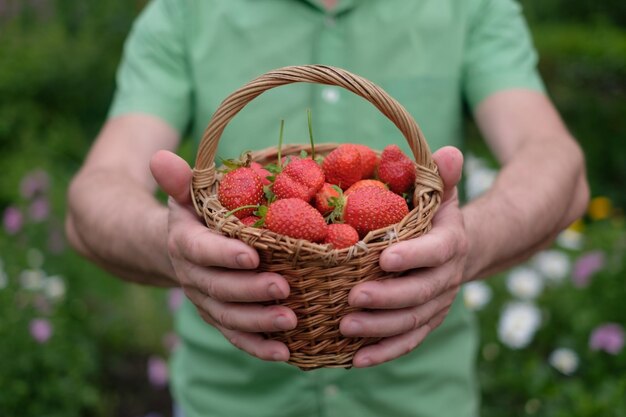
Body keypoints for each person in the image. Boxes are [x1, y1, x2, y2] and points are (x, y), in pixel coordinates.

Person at [65, 0, 589, 416]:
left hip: (419, 402)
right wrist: (169, 243)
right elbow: (92, 197)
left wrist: (469, 243)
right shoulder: (186, 10)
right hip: (230, 404)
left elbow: (557, 164)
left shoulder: (469, 6)